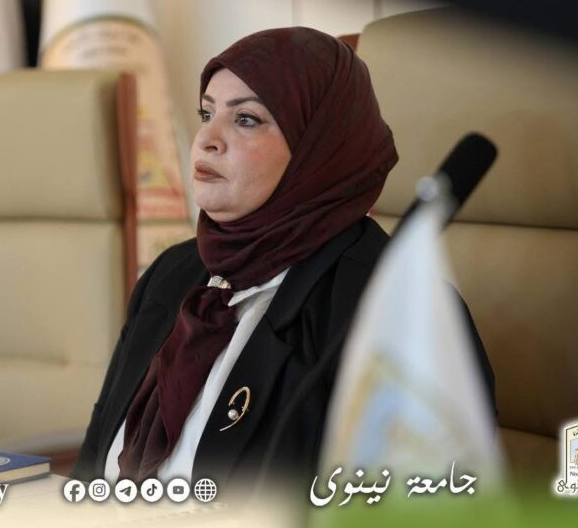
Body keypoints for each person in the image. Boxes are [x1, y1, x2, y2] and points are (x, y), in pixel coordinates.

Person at [73, 26, 495, 491]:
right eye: (206, 113)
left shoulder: (393, 310)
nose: (207, 139)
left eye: (246, 119)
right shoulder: (169, 277)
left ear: (318, 147)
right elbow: (90, 469)